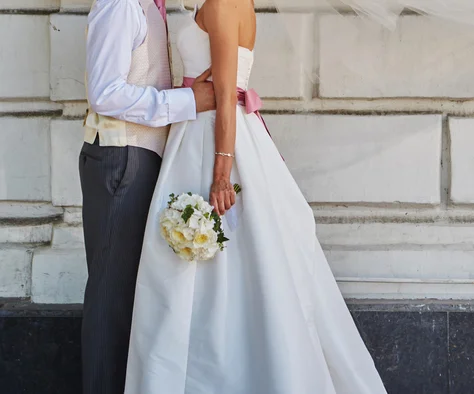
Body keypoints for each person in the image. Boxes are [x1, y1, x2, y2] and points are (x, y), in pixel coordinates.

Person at [124, 0, 388, 393]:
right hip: (195, 136)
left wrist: (221, 173)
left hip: (214, 140)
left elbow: (227, 94)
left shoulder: (224, 2)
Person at [79, 0, 215, 393]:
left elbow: (143, 79)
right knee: (112, 297)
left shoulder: (152, 6)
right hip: (120, 158)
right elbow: (104, 93)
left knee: (128, 296)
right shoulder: (120, 4)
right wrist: (189, 102)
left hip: (138, 158)